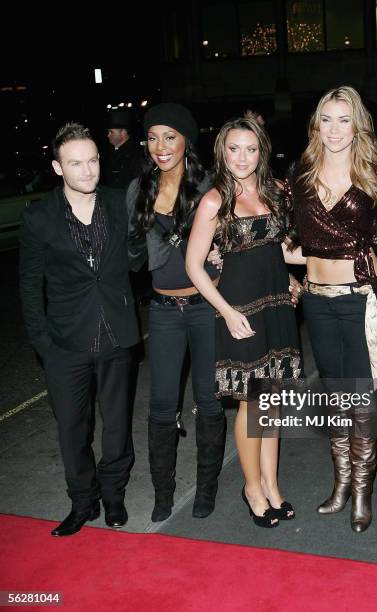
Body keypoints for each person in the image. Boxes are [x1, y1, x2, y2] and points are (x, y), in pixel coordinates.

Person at [19, 123, 139, 536]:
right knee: (72, 428)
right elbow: (30, 286)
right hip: (65, 343)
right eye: (75, 163)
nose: (87, 171)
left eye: (92, 160)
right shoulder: (39, 216)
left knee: (118, 425)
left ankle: (114, 496)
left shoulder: (120, 202)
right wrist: (43, 345)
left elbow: (144, 253)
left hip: (117, 334)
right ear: (57, 167)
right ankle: (82, 502)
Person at [186, 115, 305, 527]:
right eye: (234, 148)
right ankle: (252, 488)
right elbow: (194, 265)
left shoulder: (275, 192)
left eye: (250, 149)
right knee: (252, 405)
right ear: (222, 151)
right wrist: (226, 311)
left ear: (262, 152)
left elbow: (282, 250)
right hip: (241, 312)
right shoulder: (214, 200)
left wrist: (312, 269)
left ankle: (272, 485)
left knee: (272, 404)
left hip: (277, 309)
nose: (242, 157)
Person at [286, 86, 377, 533]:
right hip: (317, 301)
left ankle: (363, 490)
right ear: (316, 125)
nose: (334, 129)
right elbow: (288, 240)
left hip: (362, 298)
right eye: (326, 119)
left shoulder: (374, 175)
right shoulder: (301, 176)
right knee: (334, 394)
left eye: (343, 119)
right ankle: (341, 483)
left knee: (361, 397)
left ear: (357, 124)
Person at [127, 103, 226, 522]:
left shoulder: (209, 186)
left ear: (187, 140)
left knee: (209, 400)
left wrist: (224, 250)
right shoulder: (139, 189)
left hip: (205, 309)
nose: (160, 146)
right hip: (164, 311)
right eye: (152, 137)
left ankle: (206, 490)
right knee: (161, 406)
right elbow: (133, 259)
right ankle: (162, 494)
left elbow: (237, 239)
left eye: (170, 136)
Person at [101, 110, 144, 189]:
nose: (108, 135)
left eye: (111, 132)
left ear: (123, 132)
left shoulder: (137, 154)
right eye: (108, 132)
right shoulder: (107, 152)